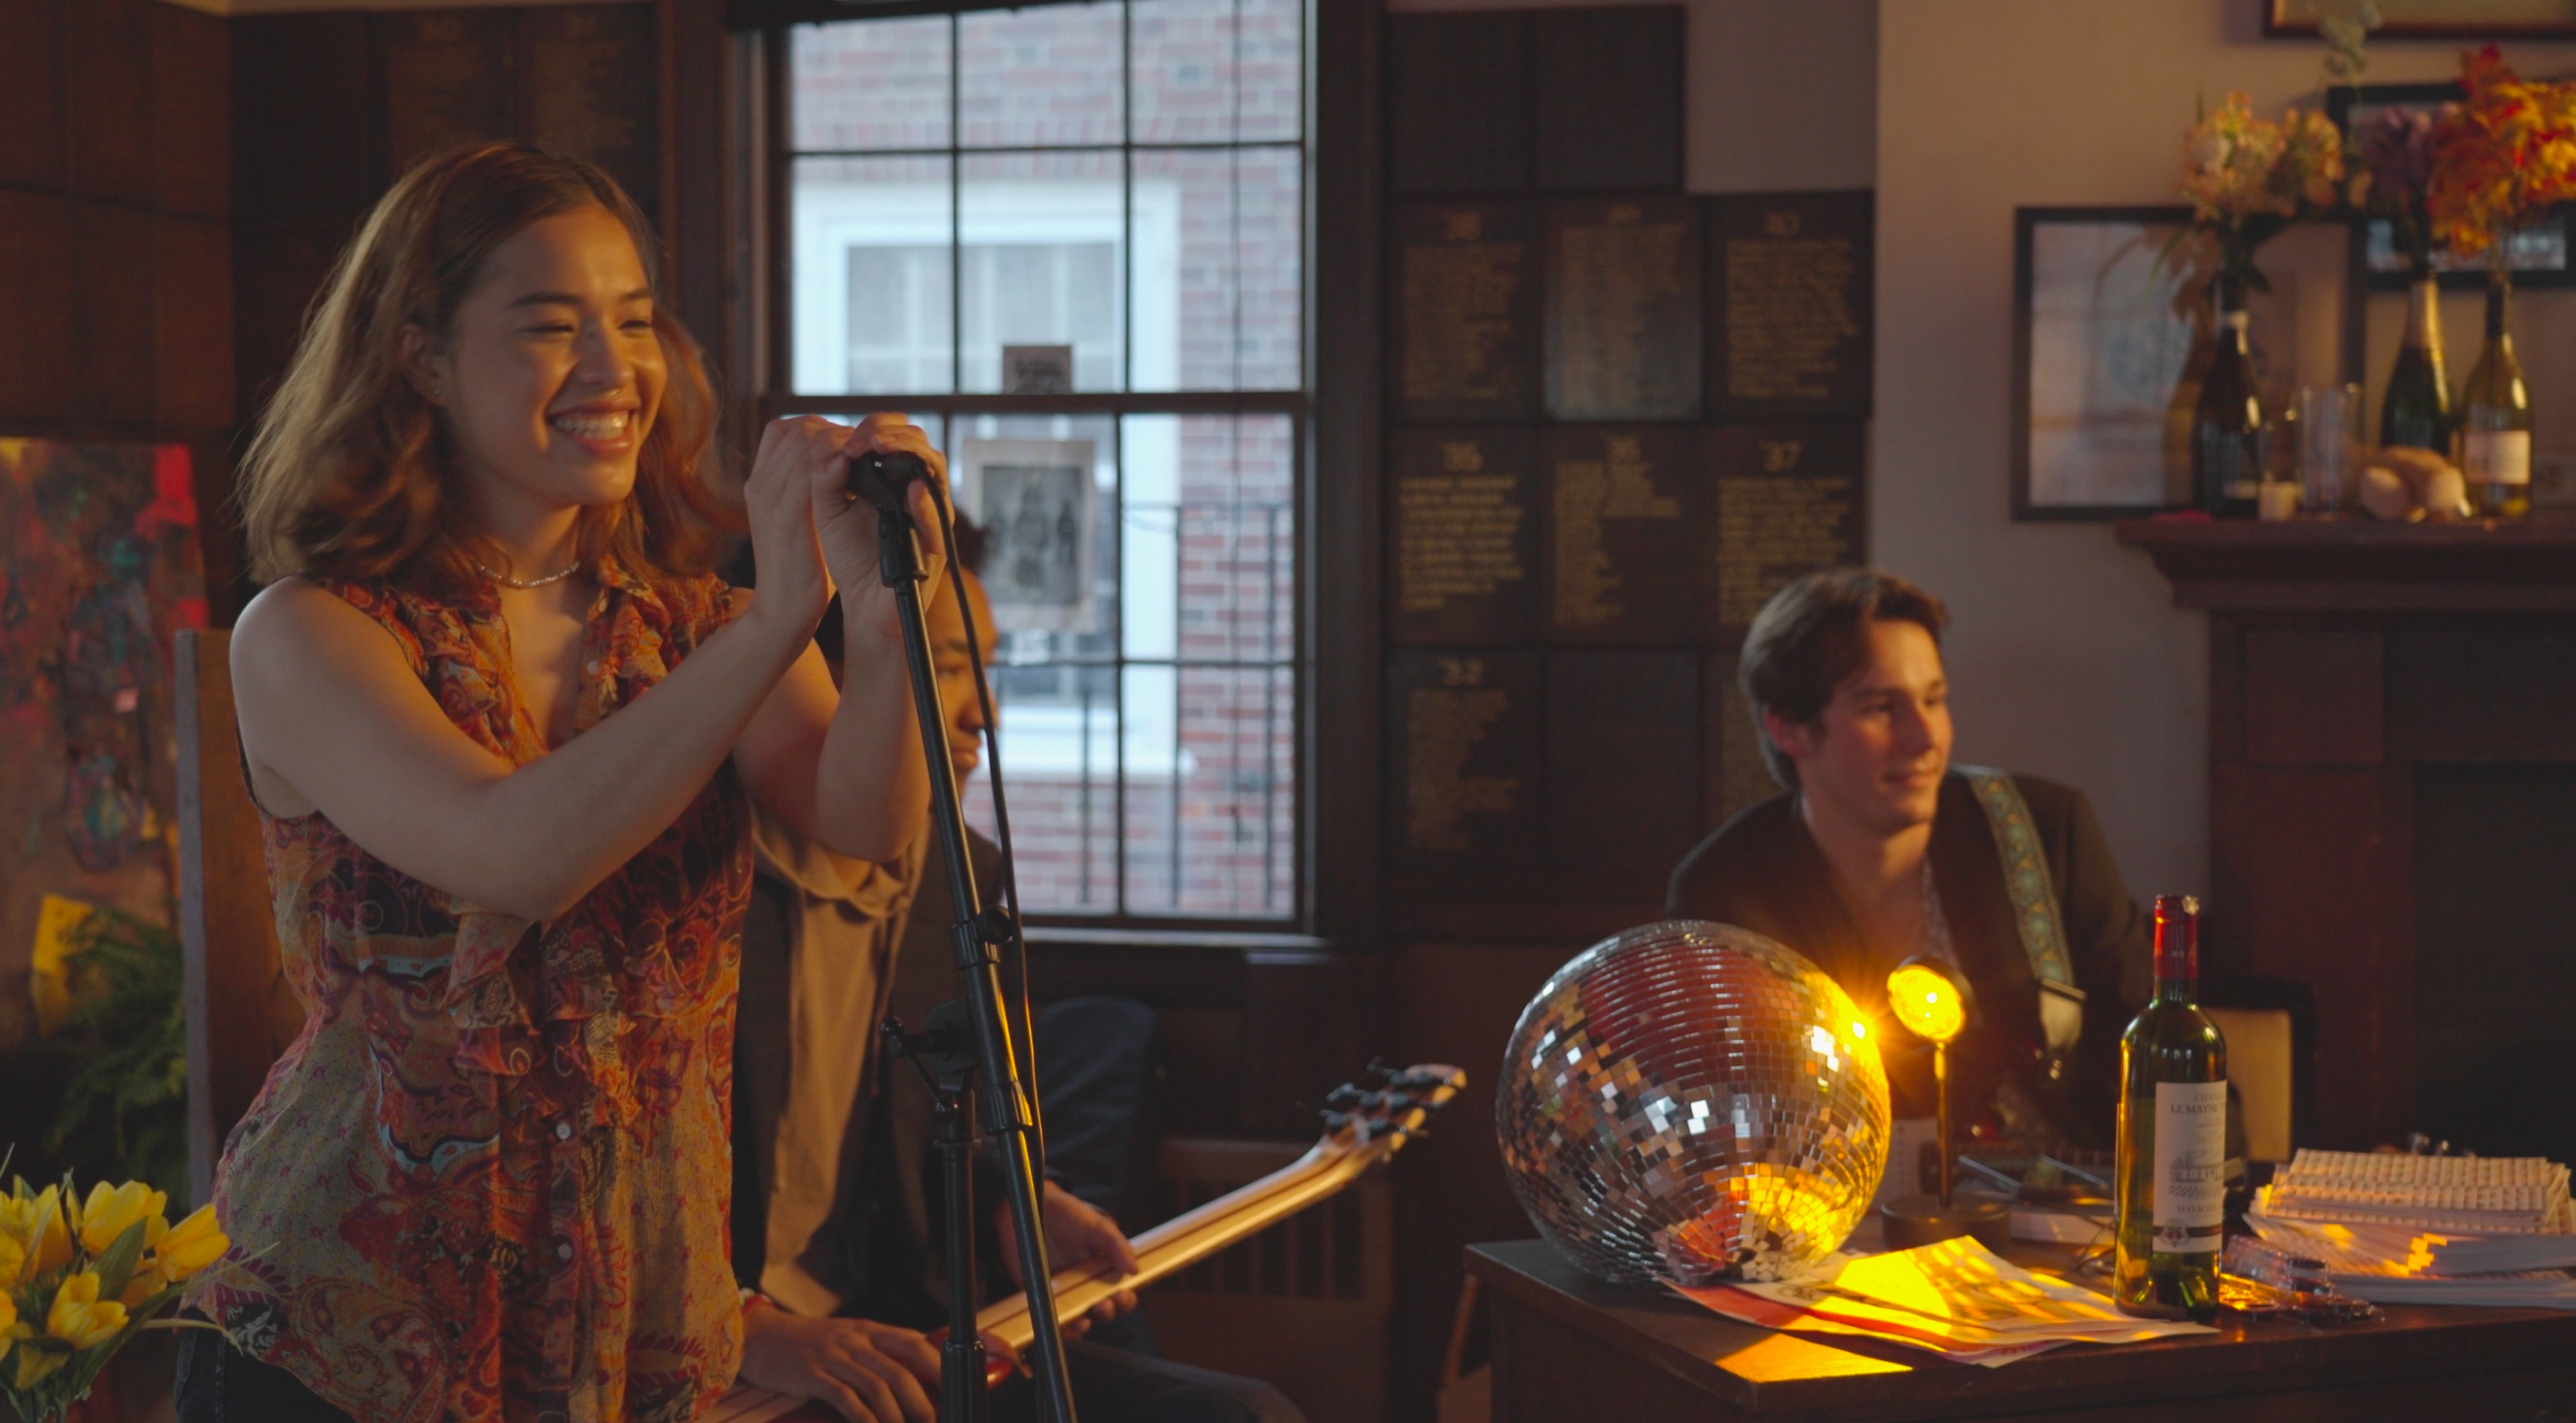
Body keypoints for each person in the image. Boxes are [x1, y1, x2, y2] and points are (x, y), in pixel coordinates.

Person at [185, 142, 949, 1423]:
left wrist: (875, 630)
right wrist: (775, 625)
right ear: (422, 355)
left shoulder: (692, 632)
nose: (614, 369)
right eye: (550, 326)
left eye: (635, 321)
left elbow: (865, 824)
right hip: (342, 1331)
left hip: (629, 1319)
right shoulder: (311, 632)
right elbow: (511, 854)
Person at [730, 551, 1302, 1423]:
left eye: (980, 669)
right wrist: (742, 1326)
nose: (983, 716)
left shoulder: (953, 870)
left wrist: (1016, 1204)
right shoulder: (690, 890)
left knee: (1241, 1414)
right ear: (806, 678)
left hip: (879, 1322)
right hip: (722, 1348)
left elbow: (928, 1123)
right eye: (948, 666)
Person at [1667, 569, 2152, 1146]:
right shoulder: (1726, 892)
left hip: (2066, 1212)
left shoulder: (2045, 829)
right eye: (1881, 708)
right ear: (1789, 728)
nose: (1925, 737)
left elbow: (2160, 1061)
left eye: (1933, 699)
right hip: (1842, 1225)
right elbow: (1722, 1127)